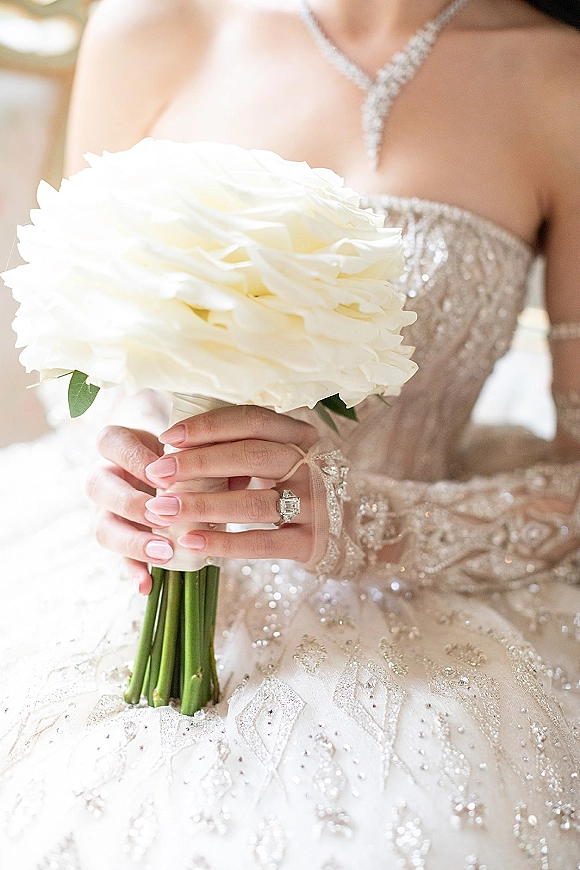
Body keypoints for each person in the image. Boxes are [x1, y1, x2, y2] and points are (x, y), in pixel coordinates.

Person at [1, 0, 579, 867]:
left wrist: (371, 526)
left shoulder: (557, 75)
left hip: (419, 593)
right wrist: (122, 458)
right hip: (142, 567)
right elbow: (85, 342)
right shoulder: (148, 27)